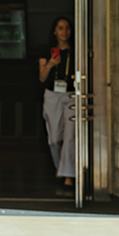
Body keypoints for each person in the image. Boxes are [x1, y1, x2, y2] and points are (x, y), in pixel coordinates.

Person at [36, 14, 78, 189]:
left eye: (67, 28)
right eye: (60, 28)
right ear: (54, 31)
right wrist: (51, 64)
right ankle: (60, 167)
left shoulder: (76, 51)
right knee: (54, 138)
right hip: (52, 95)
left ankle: (68, 175)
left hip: (71, 95)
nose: (64, 32)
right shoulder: (46, 51)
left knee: (70, 136)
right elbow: (42, 77)